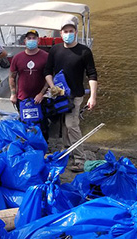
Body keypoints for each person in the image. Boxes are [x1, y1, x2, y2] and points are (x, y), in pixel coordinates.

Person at [43, 17, 98, 172]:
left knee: (71, 125)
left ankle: (80, 159)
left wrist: (93, 96)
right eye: (65, 31)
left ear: (75, 32)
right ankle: (67, 151)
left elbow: (92, 75)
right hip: (59, 96)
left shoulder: (84, 51)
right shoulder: (55, 50)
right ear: (61, 33)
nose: (68, 34)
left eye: (71, 31)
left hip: (76, 95)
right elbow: (47, 71)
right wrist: (53, 87)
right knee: (64, 126)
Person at [9, 29, 49, 138]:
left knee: (42, 124)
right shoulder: (17, 57)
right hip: (23, 97)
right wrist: (13, 94)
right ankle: (27, 146)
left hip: (40, 98)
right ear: (25, 41)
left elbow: (49, 77)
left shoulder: (45, 56)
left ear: (38, 40)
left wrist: (42, 93)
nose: (31, 40)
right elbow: (12, 77)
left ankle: (43, 145)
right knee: (25, 124)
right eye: (29, 38)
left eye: (34, 38)